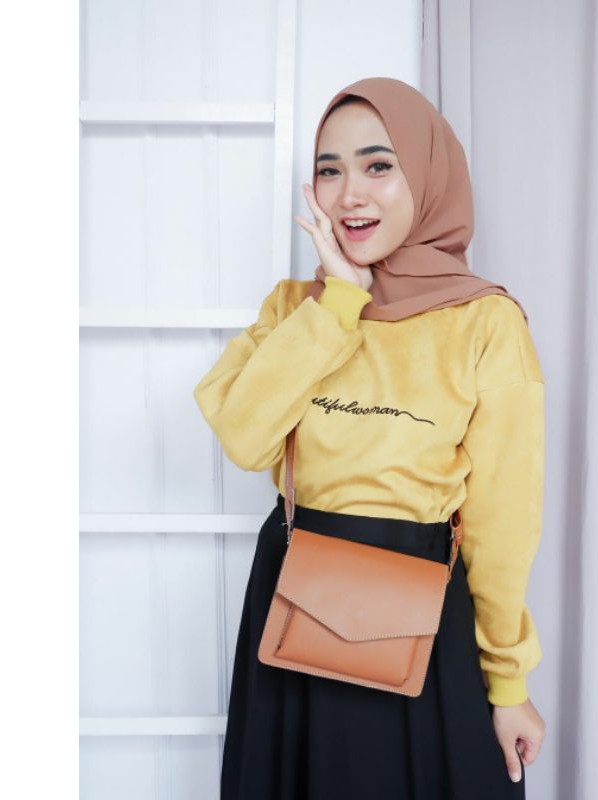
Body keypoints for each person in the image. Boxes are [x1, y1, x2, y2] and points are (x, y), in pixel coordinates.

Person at [194, 76, 547, 800]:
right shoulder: (297, 309)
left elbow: (503, 524)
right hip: (295, 607)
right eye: (329, 170)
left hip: (425, 621)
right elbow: (245, 438)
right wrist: (340, 302)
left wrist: (507, 684)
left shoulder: (486, 322)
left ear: (426, 175)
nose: (350, 194)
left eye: (378, 165)